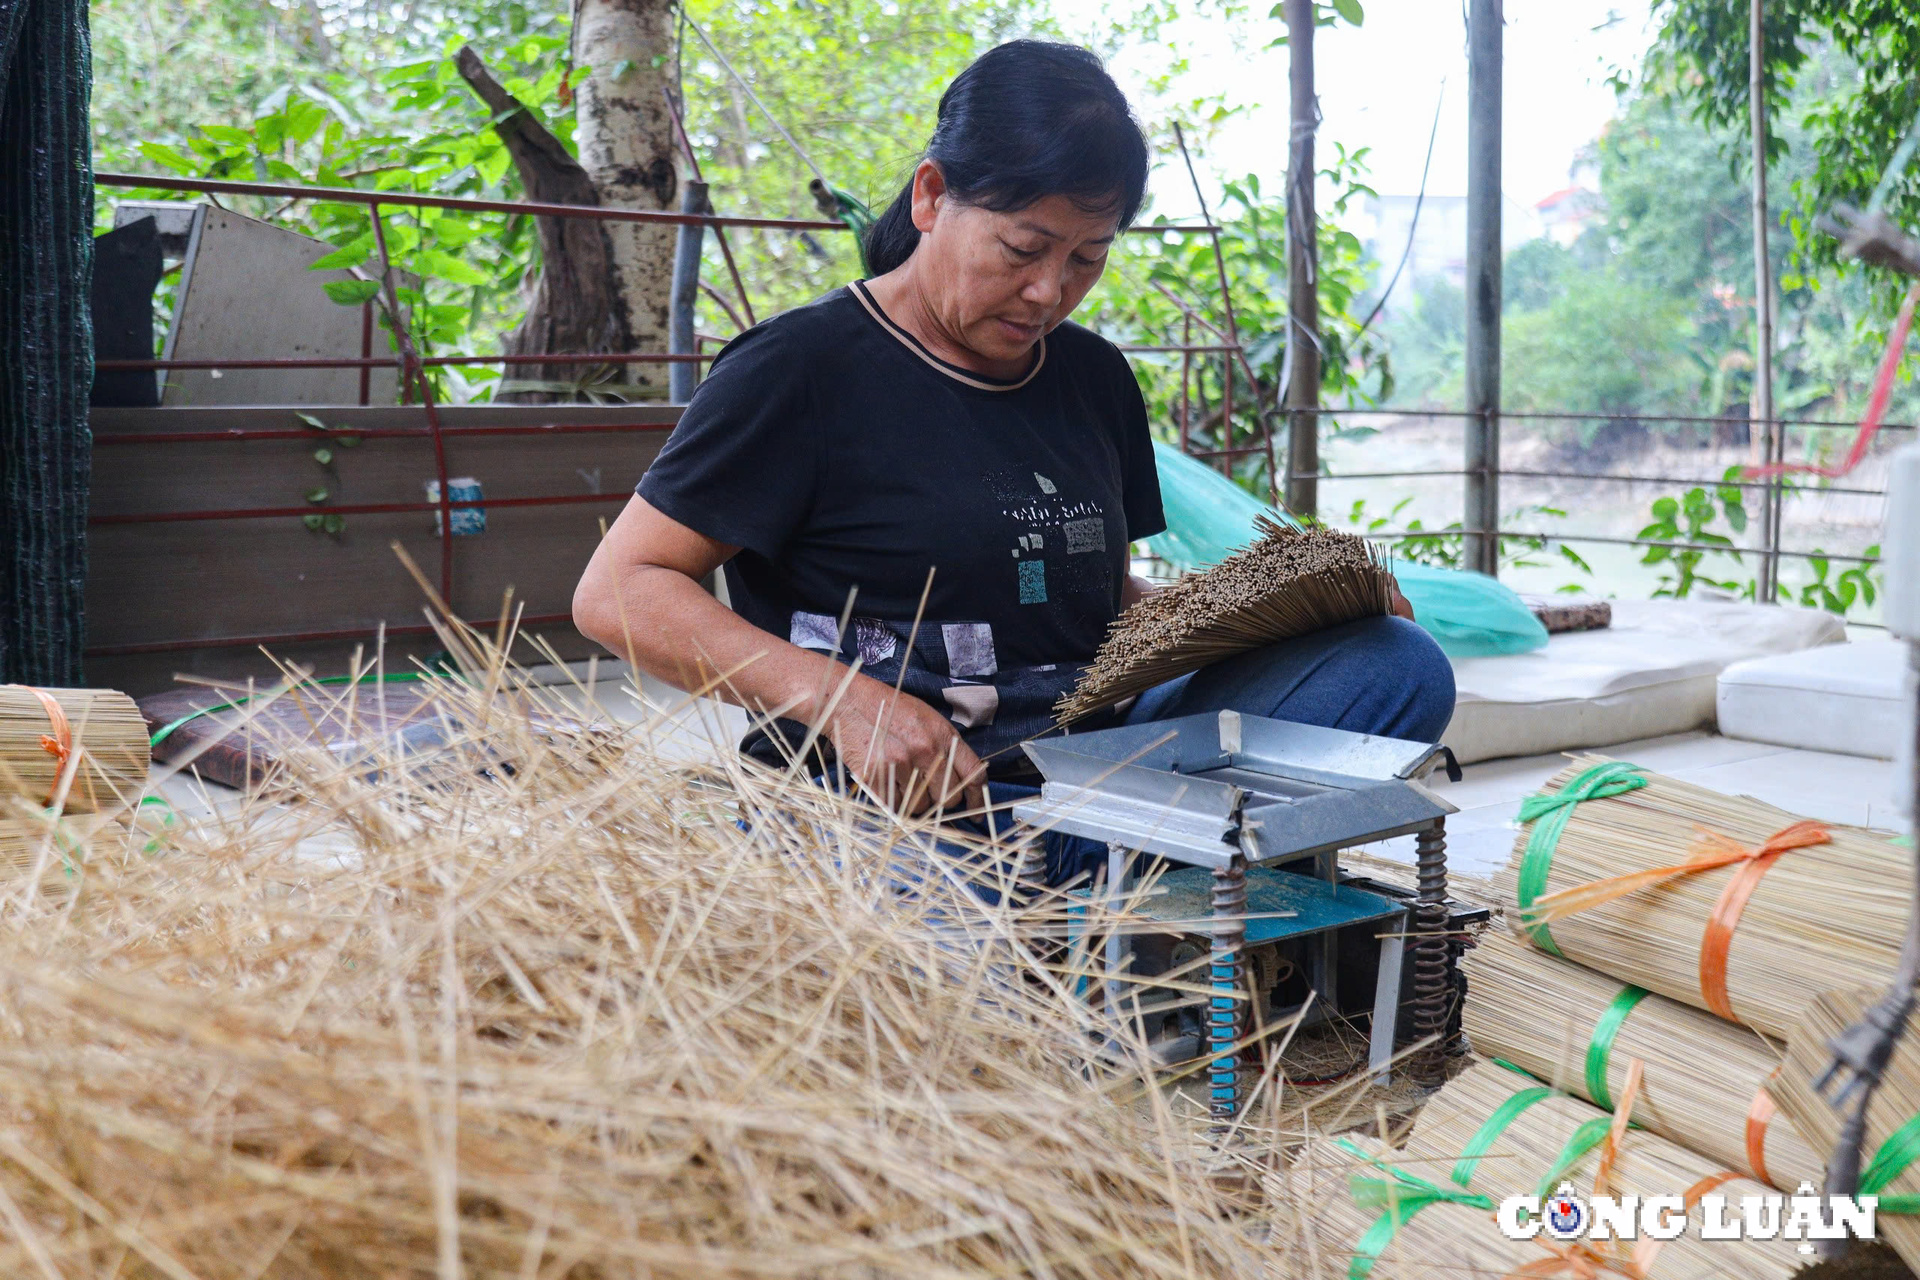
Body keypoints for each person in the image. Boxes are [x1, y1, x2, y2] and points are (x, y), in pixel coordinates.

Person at [573, 40, 1454, 888]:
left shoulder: (1093, 378)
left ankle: (1108, 898)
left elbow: (1099, 602)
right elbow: (619, 590)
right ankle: (1115, 910)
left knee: (1393, 664)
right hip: (898, 806)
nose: (1049, 291)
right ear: (931, 197)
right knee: (957, 948)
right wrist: (845, 703)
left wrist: (1283, 614)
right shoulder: (800, 370)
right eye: (1023, 249)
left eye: (1087, 259)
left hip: (1097, 778)